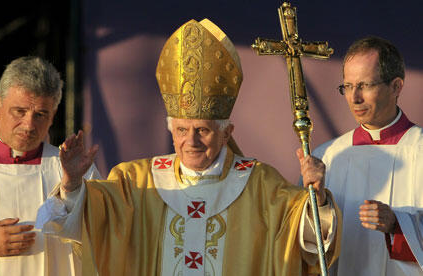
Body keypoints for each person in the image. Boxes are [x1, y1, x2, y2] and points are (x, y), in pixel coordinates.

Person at [37, 19, 341, 276]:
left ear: (227, 133)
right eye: (181, 130)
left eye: (203, 130)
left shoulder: (261, 184)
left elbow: (311, 243)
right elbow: (85, 227)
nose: (191, 142)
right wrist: (73, 184)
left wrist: (318, 198)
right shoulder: (135, 181)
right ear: (171, 129)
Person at [0, 56, 100, 275]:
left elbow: (105, 235)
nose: (29, 125)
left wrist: (73, 187)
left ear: (53, 116)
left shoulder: (72, 168)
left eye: (40, 114)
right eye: (19, 111)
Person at [311, 36, 423, 275]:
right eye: (348, 86)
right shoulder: (328, 157)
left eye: (365, 85)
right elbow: (307, 250)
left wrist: (397, 225)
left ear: (396, 87)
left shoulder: (420, 149)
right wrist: (317, 201)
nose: (355, 98)